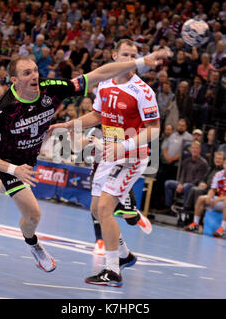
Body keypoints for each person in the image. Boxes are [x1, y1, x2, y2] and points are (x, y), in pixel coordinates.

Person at [0, 50, 170, 280]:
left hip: (30, 156)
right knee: (33, 215)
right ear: (15, 80)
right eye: (27, 73)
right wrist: (13, 169)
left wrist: (139, 62)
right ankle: (34, 245)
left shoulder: (51, 88)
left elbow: (97, 74)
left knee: (1, 186)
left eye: (35, 70)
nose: (34, 76)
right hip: (8, 160)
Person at [48, 39, 169, 287]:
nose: (129, 59)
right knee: (96, 210)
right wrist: (69, 125)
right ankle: (124, 255)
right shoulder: (104, 83)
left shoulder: (143, 91)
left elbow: (154, 130)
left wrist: (123, 146)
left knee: (104, 208)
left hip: (132, 156)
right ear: (114, 56)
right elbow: (98, 115)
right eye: (125, 54)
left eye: (134, 55)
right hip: (110, 154)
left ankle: (112, 270)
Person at [185, 156, 226, 238]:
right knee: (201, 198)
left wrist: (218, 199)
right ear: (223, 165)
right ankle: (196, 224)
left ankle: (222, 229)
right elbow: (213, 189)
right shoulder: (218, 174)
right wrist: (209, 196)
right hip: (220, 201)